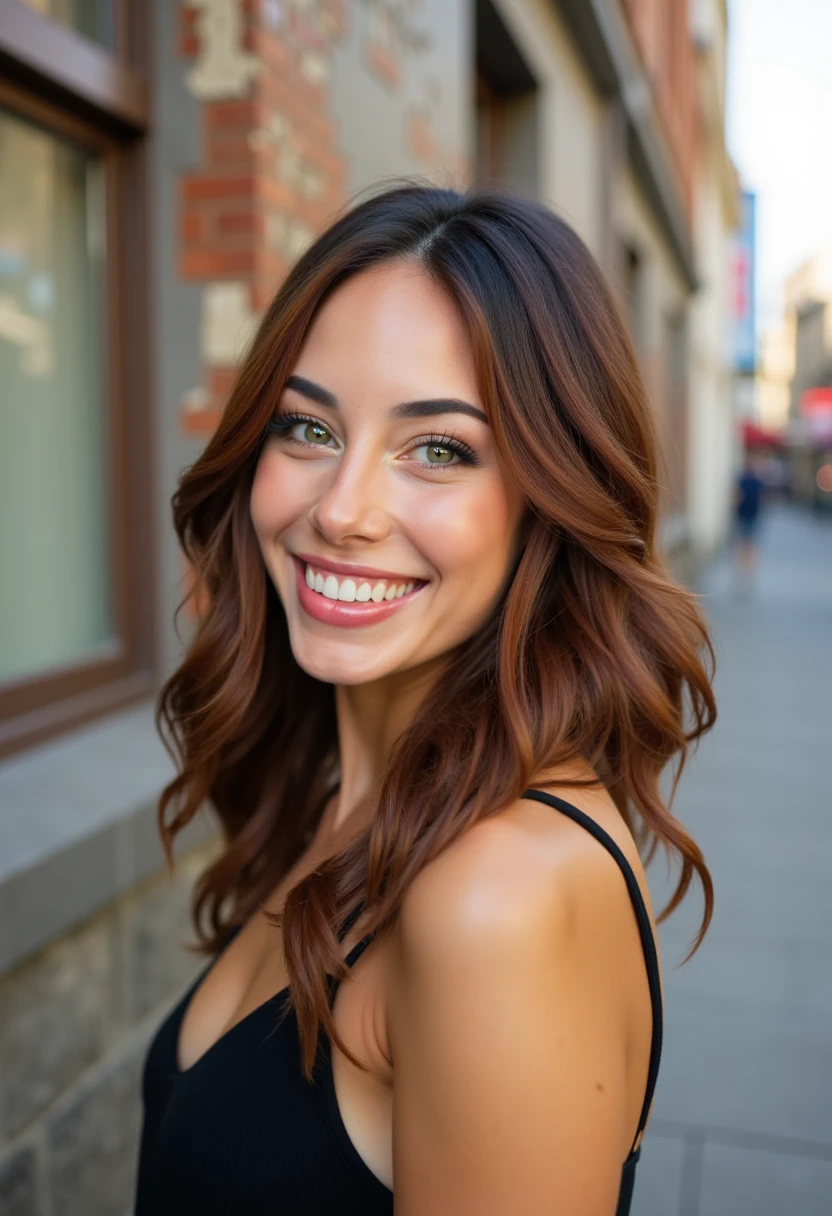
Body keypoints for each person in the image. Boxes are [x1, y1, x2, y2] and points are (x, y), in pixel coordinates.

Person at [136, 185, 716, 1215]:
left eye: (438, 449)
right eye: (306, 428)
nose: (342, 509)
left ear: (553, 493)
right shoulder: (341, 792)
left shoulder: (496, 894)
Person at [734, 452, 767, 584]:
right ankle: (749, 570)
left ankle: (742, 568)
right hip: (753, 515)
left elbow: (737, 497)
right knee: (751, 543)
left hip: (744, 515)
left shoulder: (742, 480)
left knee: (743, 543)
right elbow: (764, 498)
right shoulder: (758, 481)